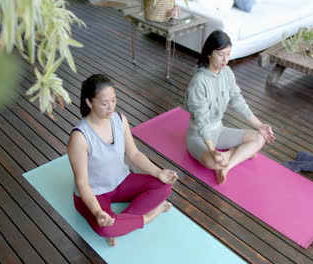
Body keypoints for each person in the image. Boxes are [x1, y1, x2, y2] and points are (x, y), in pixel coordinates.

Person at [68, 74, 178, 247]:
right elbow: (82, 184)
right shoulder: (79, 138)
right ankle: (148, 217)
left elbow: (134, 154)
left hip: (122, 181)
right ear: (89, 102)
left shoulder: (120, 120)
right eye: (104, 103)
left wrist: (159, 172)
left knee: (163, 186)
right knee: (105, 229)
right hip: (95, 194)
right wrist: (97, 212)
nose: (111, 107)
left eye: (114, 100)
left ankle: (122, 222)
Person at [185, 30, 275, 184]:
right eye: (221, 54)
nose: (225, 59)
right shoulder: (198, 82)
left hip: (219, 130)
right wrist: (212, 151)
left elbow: (237, 100)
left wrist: (260, 125)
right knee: (211, 162)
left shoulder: (226, 72)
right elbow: (202, 122)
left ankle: (227, 165)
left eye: (228, 54)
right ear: (209, 53)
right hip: (199, 137)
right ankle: (233, 153)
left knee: (259, 138)